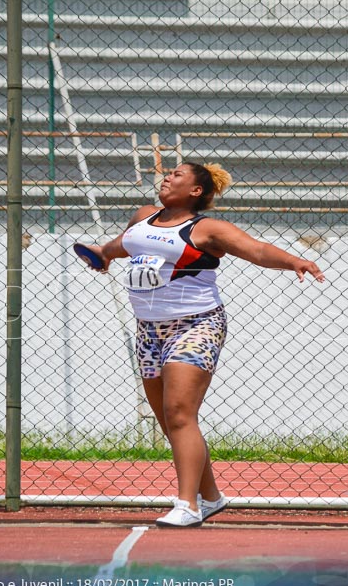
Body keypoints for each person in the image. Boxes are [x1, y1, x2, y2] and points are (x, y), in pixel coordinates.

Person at [78, 162, 325, 527]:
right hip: (148, 329)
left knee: (179, 413)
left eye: (177, 175)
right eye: (168, 174)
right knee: (170, 419)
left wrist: (295, 261)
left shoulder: (207, 228)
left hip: (196, 325)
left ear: (196, 191)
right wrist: (102, 255)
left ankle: (187, 505)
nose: (167, 177)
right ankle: (211, 497)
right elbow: (124, 245)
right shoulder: (144, 216)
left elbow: (256, 251)